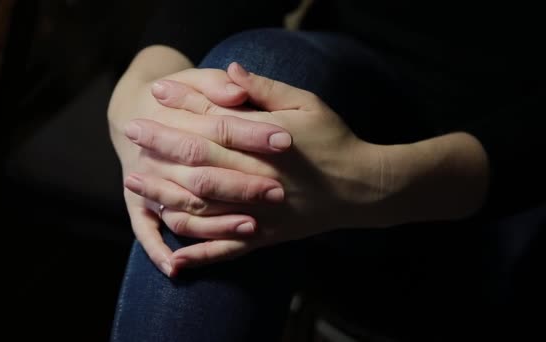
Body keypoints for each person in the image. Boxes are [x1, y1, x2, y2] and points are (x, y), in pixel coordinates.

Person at [107, 1, 545, 341]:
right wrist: (138, 101)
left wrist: (380, 179)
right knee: (248, 86)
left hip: (516, 170)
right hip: (364, 93)